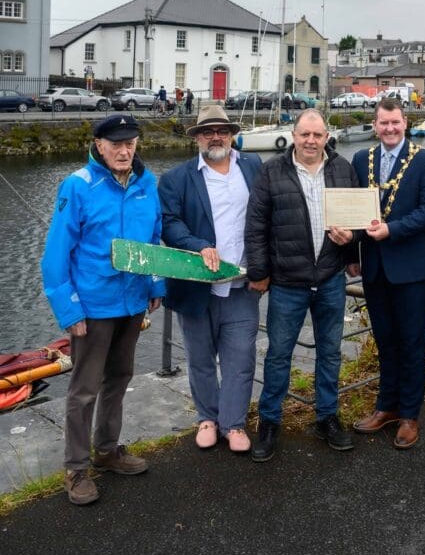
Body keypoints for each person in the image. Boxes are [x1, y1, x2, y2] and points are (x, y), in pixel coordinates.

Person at [40, 113, 164, 506]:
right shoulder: (77, 186)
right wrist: (69, 309)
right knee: (83, 390)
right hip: (93, 306)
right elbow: (55, 256)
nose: (124, 150)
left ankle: (107, 450)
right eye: (116, 144)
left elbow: (154, 236)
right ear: (99, 145)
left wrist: (156, 283)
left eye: (131, 143)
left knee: (119, 378)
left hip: (132, 301)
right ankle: (76, 468)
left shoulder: (146, 183)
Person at [245, 110, 358, 461]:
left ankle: (327, 416)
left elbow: (357, 219)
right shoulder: (271, 170)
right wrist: (259, 273)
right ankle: (269, 421)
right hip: (287, 281)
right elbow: (256, 226)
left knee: (329, 351)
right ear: (294, 135)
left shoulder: (343, 169)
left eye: (317, 135)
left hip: (330, 278)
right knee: (279, 354)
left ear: (327, 137)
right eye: (304, 134)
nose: (311, 141)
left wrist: (351, 242)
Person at [159, 105, 263, 454]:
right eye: (208, 131)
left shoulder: (253, 167)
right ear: (197, 138)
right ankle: (207, 418)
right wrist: (199, 246)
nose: (215, 136)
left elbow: (267, 217)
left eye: (221, 130)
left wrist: (266, 268)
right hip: (195, 286)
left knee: (240, 358)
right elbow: (170, 224)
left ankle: (233, 424)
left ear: (232, 134)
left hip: (241, 284)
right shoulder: (176, 178)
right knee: (200, 358)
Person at [351, 98, 425, 449]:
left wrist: (393, 230)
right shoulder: (362, 159)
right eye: (383, 123)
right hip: (375, 269)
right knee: (385, 341)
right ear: (375, 125)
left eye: (395, 123)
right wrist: (351, 250)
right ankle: (385, 406)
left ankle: (409, 414)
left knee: (412, 343)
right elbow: (353, 210)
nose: (389, 129)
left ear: (405, 122)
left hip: (413, 271)